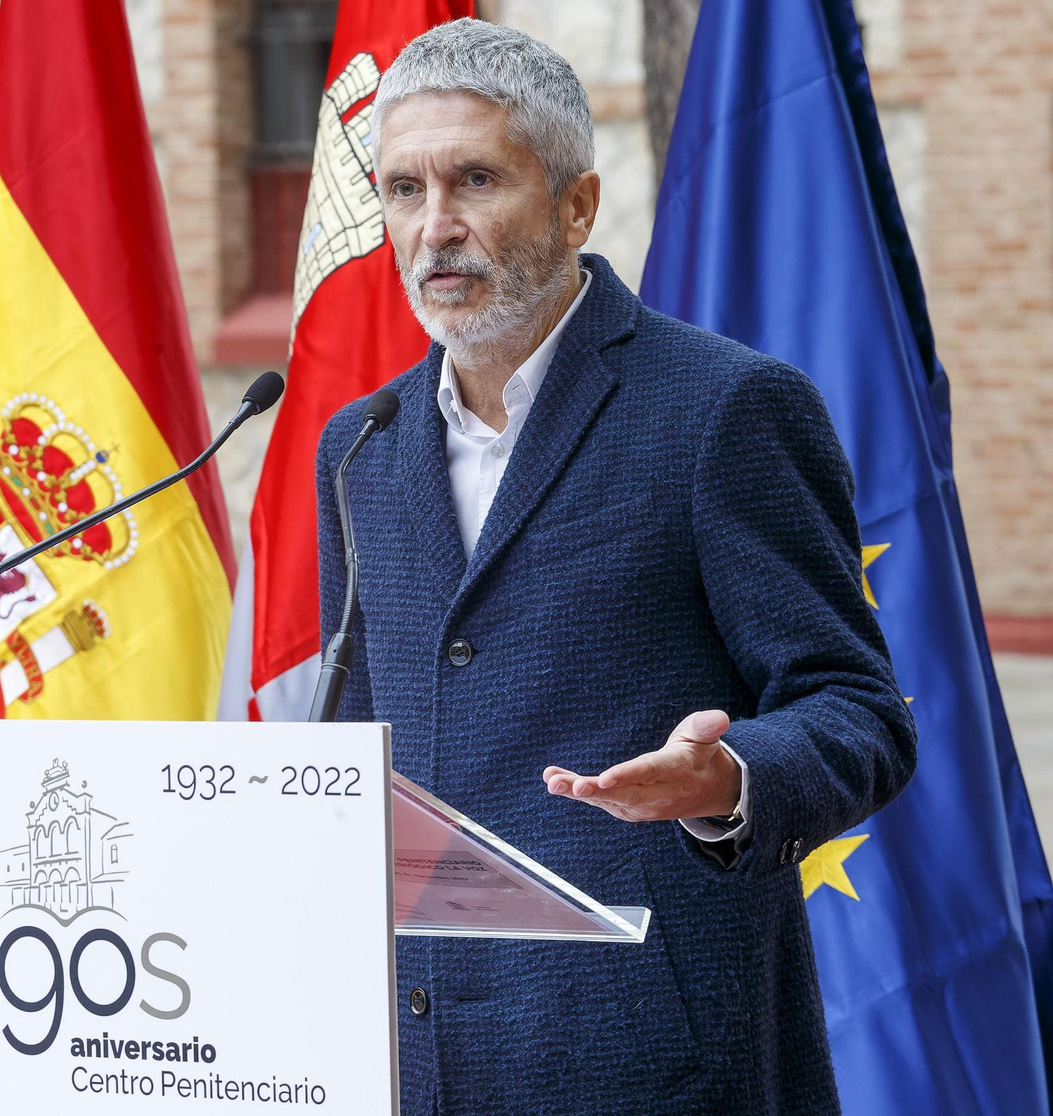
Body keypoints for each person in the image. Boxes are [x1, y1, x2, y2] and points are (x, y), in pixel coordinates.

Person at [315, 19, 917, 1115]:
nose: (433, 228)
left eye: (475, 179)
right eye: (402, 189)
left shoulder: (722, 410)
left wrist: (729, 783)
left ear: (576, 205)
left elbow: (859, 711)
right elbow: (353, 749)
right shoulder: (357, 447)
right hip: (417, 1063)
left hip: (653, 1064)